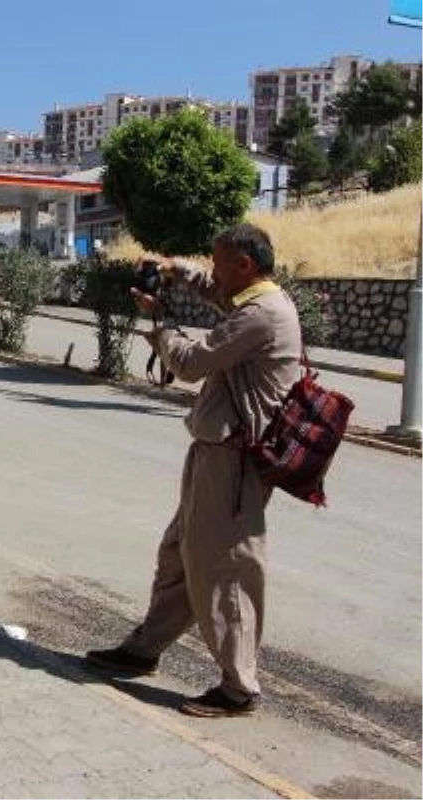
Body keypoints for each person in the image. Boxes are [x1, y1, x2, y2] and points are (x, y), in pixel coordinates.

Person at [85, 223, 302, 718]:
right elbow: (211, 289)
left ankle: (239, 687)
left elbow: (190, 362)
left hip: (235, 462)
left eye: (218, 261)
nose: (213, 271)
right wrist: (173, 269)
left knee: (226, 569)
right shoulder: (254, 299)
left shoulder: (260, 315)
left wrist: (161, 323)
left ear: (244, 266)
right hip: (216, 453)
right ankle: (143, 650)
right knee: (181, 556)